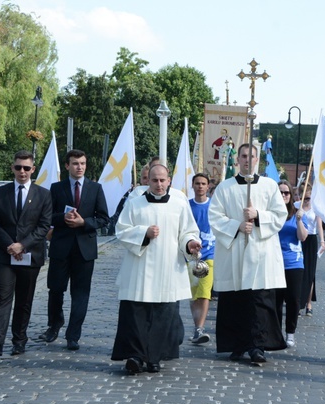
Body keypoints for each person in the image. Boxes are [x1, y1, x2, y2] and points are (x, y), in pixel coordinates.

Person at [111, 164, 201, 374]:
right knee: (136, 313)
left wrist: (190, 244)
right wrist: (144, 233)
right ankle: (135, 356)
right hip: (139, 268)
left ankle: (155, 357)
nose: (159, 184)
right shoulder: (135, 203)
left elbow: (187, 231)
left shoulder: (179, 204)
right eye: (154, 180)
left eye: (162, 180)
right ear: (147, 181)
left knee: (163, 316)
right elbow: (121, 231)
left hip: (167, 267)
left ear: (169, 181)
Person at [208, 142, 287, 364]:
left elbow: (280, 215)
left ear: (256, 159)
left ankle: (257, 345)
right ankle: (236, 344)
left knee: (258, 301)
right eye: (243, 156)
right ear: (237, 160)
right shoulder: (225, 188)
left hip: (261, 252)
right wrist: (237, 226)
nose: (246, 160)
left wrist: (258, 215)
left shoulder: (270, 186)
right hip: (234, 252)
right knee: (235, 300)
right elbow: (215, 217)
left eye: (251, 156)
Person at [0, 150, 52, 357]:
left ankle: (19, 340)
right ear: (12, 168)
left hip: (30, 255)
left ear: (33, 170)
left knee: (24, 299)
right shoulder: (1, 193)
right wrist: (11, 245)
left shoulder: (43, 195)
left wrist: (23, 245)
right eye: (18, 167)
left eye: (26, 168)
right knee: (3, 297)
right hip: (5, 255)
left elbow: (43, 226)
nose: (22, 171)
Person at [39, 149, 109, 351]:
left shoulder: (95, 188)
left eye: (83, 163)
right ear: (67, 166)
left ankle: (73, 334)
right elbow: (48, 216)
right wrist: (63, 218)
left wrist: (83, 222)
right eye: (76, 163)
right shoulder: (56, 188)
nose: (80, 167)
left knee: (80, 294)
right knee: (55, 290)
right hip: (61, 247)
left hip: (84, 249)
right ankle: (54, 325)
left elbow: (104, 218)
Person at [276, 180, 307, 348]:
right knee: (276, 301)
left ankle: (290, 333)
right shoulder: (272, 213)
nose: (283, 196)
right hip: (274, 263)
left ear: (291, 195)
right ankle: (275, 333)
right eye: (280, 192)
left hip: (294, 263)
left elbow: (303, 237)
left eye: (286, 193)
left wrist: (300, 220)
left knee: (293, 300)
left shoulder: (297, 214)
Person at [188, 172, 215, 345]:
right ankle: (196, 325)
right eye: (197, 183)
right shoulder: (187, 206)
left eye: (203, 183)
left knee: (205, 294)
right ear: (193, 185)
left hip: (209, 255)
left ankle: (200, 328)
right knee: (194, 295)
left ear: (208, 186)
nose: (200, 186)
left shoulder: (214, 206)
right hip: (190, 257)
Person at [294, 183, 325, 317]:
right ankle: (298, 303)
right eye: (305, 197)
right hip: (299, 240)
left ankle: (308, 303)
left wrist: (323, 241)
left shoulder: (316, 208)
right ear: (301, 196)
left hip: (311, 240)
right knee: (299, 272)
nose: (308, 200)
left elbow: (319, 226)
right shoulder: (296, 206)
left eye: (309, 197)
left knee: (310, 274)